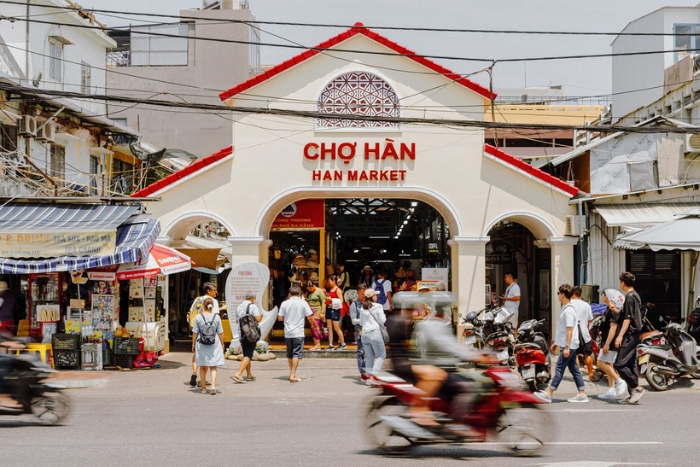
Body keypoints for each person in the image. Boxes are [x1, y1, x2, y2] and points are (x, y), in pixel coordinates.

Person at [534, 284, 588, 403]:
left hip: (569, 345)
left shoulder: (568, 310)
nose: (558, 295)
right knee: (574, 369)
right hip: (568, 344)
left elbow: (569, 330)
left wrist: (566, 347)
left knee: (559, 369)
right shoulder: (566, 308)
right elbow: (563, 330)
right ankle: (582, 393)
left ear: (562, 295)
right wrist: (557, 343)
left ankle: (549, 393)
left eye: (559, 293)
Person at [614, 272, 645, 404]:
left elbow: (628, 319)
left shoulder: (630, 297)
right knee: (631, 364)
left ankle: (636, 388)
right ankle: (633, 393)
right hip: (635, 333)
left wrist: (620, 335)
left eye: (620, 281)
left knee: (619, 364)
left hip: (630, 334)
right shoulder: (635, 295)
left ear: (623, 283)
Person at [277, 285, 316, 382]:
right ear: (299, 294)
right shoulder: (303, 303)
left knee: (290, 354)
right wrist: (316, 326)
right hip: (298, 332)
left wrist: (289, 318)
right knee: (296, 354)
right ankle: (293, 375)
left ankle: (291, 373)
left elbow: (280, 318)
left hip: (288, 333)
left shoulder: (284, 303)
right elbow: (310, 317)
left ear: (289, 294)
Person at [191, 297, 225, 395]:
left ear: (203, 306)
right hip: (214, 343)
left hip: (201, 343)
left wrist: (193, 344)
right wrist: (222, 344)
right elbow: (221, 333)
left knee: (202, 366)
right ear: (212, 307)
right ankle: (213, 386)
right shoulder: (217, 317)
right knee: (213, 366)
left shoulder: (198, 317)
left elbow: (194, 333)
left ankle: (204, 388)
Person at [187, 282, 218, 387]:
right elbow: (215, 317)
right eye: (214, 290)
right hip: (209, 332)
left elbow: (190, 312)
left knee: (197, 354)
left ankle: (194, 372)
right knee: (208, 356)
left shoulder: (197, 299)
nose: (216, 292)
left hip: (198, 329)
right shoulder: (213, 301)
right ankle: (202, 380)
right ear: (208, 291)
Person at [597, 289, 626, 401]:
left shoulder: (614, 310)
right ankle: (611, 389)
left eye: (603, 294)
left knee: (600, 363)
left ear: (609, 297)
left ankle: (619, 381)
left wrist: (607, 344)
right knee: (609, 364)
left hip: (610, 341)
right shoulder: (609, 309)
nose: (602, 296)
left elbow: (613, 328)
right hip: (607, 340)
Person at [231, 293, 263, 384]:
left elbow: (237, 320)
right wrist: (261, 316)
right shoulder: (253, 307)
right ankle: (238, 374)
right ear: (252, 298)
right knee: (248, 355)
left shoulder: (239, 307)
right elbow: (258, 319)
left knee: (246, 353)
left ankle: (249, 374)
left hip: (242, 333)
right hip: (251, 334)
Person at [360, 289, 387, 383]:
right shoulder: (378, 306)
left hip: (365, 334)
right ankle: (373, 377)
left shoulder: (363, 308)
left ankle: (368, 378)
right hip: (375, 333)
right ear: (372, 297)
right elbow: (382, 321)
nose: (376, 296)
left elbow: (361, 322)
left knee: (369, 357)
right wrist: (384, 316)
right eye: (375, 295)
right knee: (381, 356)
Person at [571, 286, 594, 380]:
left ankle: (577, 375)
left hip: (573, 333)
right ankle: (591, 374)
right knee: (587, 354)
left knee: (575, 355)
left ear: (572, 294)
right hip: (585, 333)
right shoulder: (586, 305)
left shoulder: (568, 304)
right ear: (581, 294)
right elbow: (590, 319)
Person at [349, 285, 368, 380]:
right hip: (360, 330)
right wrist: (364, 320)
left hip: (371, 330)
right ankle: (363, 372)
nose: (364, 296)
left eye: (365, 294)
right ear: (357, 293)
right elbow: (353, 321)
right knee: (361, 351)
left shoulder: (370, 303)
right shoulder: (354, 305)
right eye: (362, 294)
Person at [324, 275, 347, 350]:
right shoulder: (330, 289)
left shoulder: (338, 290)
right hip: (328, 308)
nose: (329, 282)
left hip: (335, 309)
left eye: (330, 281)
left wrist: (332, 300)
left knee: (336, 328)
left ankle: (343, 344)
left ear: (334, 281)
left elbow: (341, 300)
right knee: (329, 327)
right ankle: (330, 344)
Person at [305, 281, 327, 351]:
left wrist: (322, 313)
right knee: (312, 328)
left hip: (317, 311)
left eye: (311, 288)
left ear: (314, 285)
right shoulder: (309, 293)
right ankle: (316, 344)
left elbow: (323, 302)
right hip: (310, 312)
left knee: (315, 327)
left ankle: (318, 345)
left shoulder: (319, 291)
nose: (310, 289)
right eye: (308, 288)